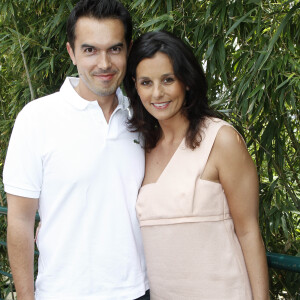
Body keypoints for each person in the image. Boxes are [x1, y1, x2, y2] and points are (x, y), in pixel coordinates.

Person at [3, 0, 149, 299]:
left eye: (114, 49)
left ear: (128, 50)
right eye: (90, 50)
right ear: (71, 52)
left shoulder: (145, 117)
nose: (104, 63)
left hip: (140, 290)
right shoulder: (36, 118)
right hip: (63, 292)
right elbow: (19, 220)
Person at [124, 30, 269, 300]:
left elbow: (249, 231)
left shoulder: (221, 139)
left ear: (186, 81)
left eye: (168, 80)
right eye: (146, 82)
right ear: (135, 86)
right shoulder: (138, 148)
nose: (157, 93)